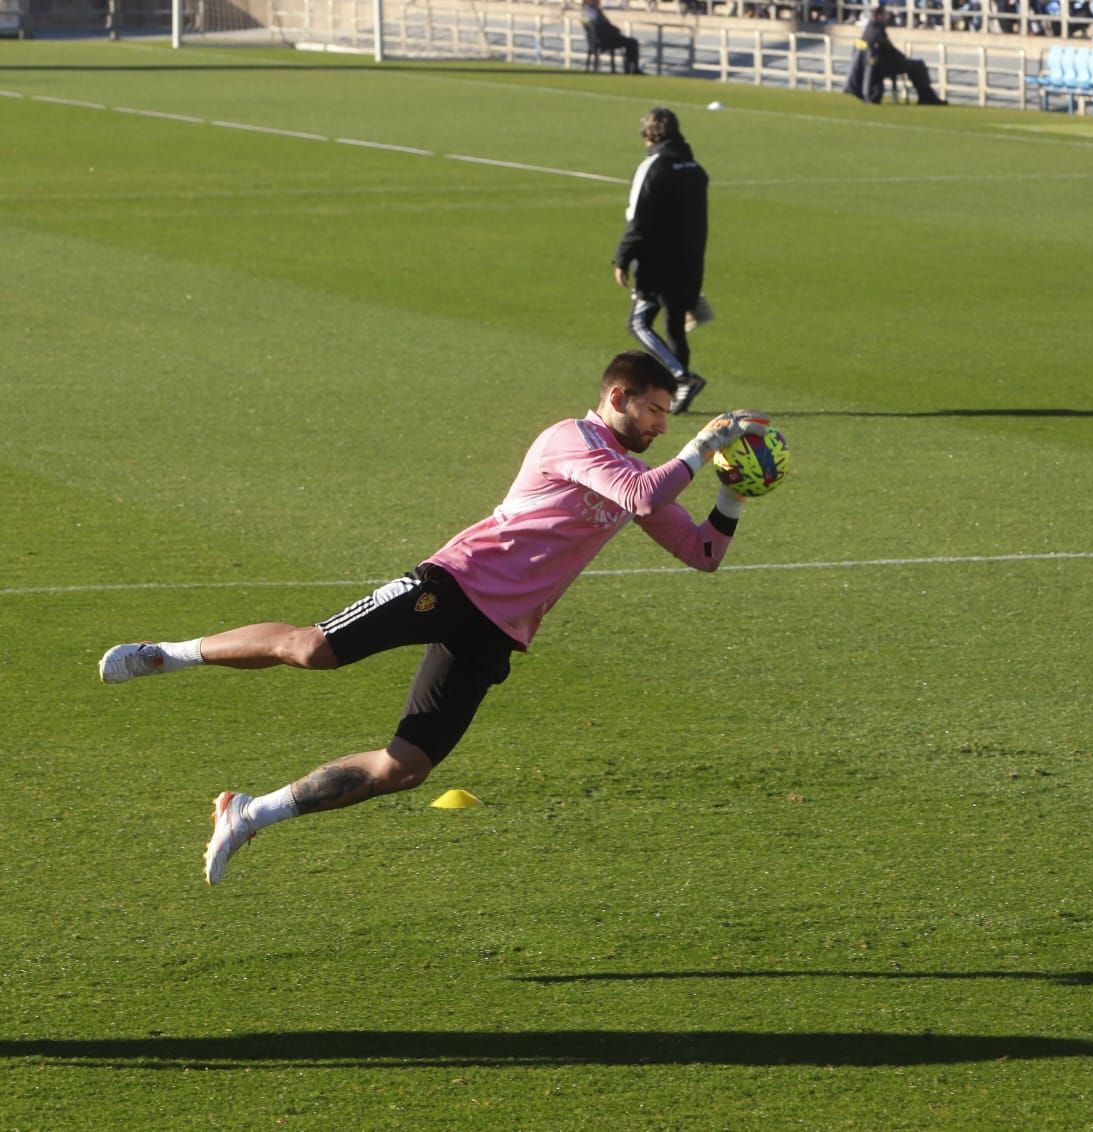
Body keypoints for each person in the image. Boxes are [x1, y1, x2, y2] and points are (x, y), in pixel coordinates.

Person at [98, 352, 769, 887]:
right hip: (453, 583)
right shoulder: (574, 439)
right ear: (617, 397)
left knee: (407, 766)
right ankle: (168, 652)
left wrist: (729, 495)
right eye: (654, 410)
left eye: (668, 418)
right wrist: (700, 446)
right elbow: (641, 491)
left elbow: (701, 552)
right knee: (312, 649)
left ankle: (250, 812)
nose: (661, 426)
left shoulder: (634, 471)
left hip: (498, 629)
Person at [614, 107, 711, 417]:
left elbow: (639, 218)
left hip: (658, 264)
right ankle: (677, 394)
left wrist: (623, 257)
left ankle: (683, 377)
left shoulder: (653, 167)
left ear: (648, 136)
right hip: (691, 261)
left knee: (638, 323)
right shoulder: (695, 168)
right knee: (674, 326)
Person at [844, 7, 946, 106]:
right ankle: (926, 95)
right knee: (918, 66)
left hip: (877, 65)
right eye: (884, 15)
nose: (886, 17)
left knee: (915, 66)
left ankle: (926, 96)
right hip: (884, 65)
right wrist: (901, 57)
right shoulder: (877, 30)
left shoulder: (870, 30)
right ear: (879, 15)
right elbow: (888, 48)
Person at [579, 0, 642, 74]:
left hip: (600, 39)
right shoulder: (591, 12)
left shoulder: (588, 11)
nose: (599, 1)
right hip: (604, 40)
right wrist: (615, 30)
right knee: (632, 42)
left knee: (630, 42)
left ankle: (631, 68)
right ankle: (632, 69)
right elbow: (600, 25)